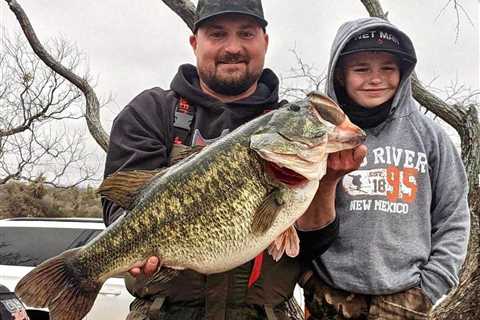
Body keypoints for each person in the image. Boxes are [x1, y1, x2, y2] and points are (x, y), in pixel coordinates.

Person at [102, 1, 365, 319]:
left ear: (265, 42)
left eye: (246, 33)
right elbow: (122, 214)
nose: (232, 47)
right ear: (194, 42)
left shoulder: (288, 125)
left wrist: (328, 183)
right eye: (217, 34)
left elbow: (310, 247)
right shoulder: (149, 112)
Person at [302, 17, 470, 319]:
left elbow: (453, 217)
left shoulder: (430, 137)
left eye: (388, 69)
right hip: (329, 292)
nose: (376, 79)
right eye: (361, 69)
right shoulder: (317, 133)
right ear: (340, 75)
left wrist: (430, 288)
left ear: (403, 73)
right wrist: (307, 277)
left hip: (406, 296)